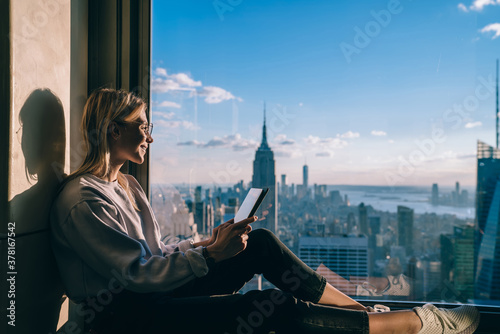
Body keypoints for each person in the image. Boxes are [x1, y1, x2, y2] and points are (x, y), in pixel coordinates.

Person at [50, 88, 480, 334]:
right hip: (118, 319)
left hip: (146, 297)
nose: (150, 136)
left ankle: (360, 313)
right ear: (113, 129)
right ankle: (412, 326)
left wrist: (205, 243)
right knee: (269, 304)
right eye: (143, 126)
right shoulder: (84, 200)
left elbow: (155, 250)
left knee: (259, 243)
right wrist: (208, 257)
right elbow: (137, 275)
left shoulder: (123, 184)